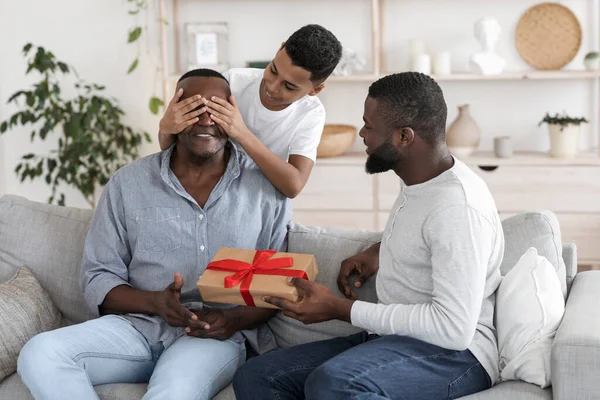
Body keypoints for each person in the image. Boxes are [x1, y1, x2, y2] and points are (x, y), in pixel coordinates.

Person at [17, 69, 291, 400]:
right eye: (193, 106)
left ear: (234, 114)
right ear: (172, 112)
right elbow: (98, 276)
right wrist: (155, 303)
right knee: (41, 352)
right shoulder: (127, 183)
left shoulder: (266, 189)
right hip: (137, 327)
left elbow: (276, 287)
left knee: (172, 392)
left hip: (213, 339)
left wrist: (232, 321)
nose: (205, 118)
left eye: (217, 107)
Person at [232, 72, 505, 400]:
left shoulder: (457, 206)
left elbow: (453, 329)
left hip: (458, 355)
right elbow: (430, 237)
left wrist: (339, 308)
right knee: (259, 375)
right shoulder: (422, 181)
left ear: (404, 137)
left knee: (335, 383)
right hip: (394, 340)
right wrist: (380, 250)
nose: (361, 134)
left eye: (369, 126)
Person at [158, 24, 343, 198]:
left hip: (261, 199)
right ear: (279, 50)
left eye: (289, 86)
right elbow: (175, 151)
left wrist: (242, 134)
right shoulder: (232, 82)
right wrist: (166, 128)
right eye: (273, 70)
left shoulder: (311, 114)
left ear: (314, 90)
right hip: (211, 190)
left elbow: (293, 186)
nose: (272, 87)